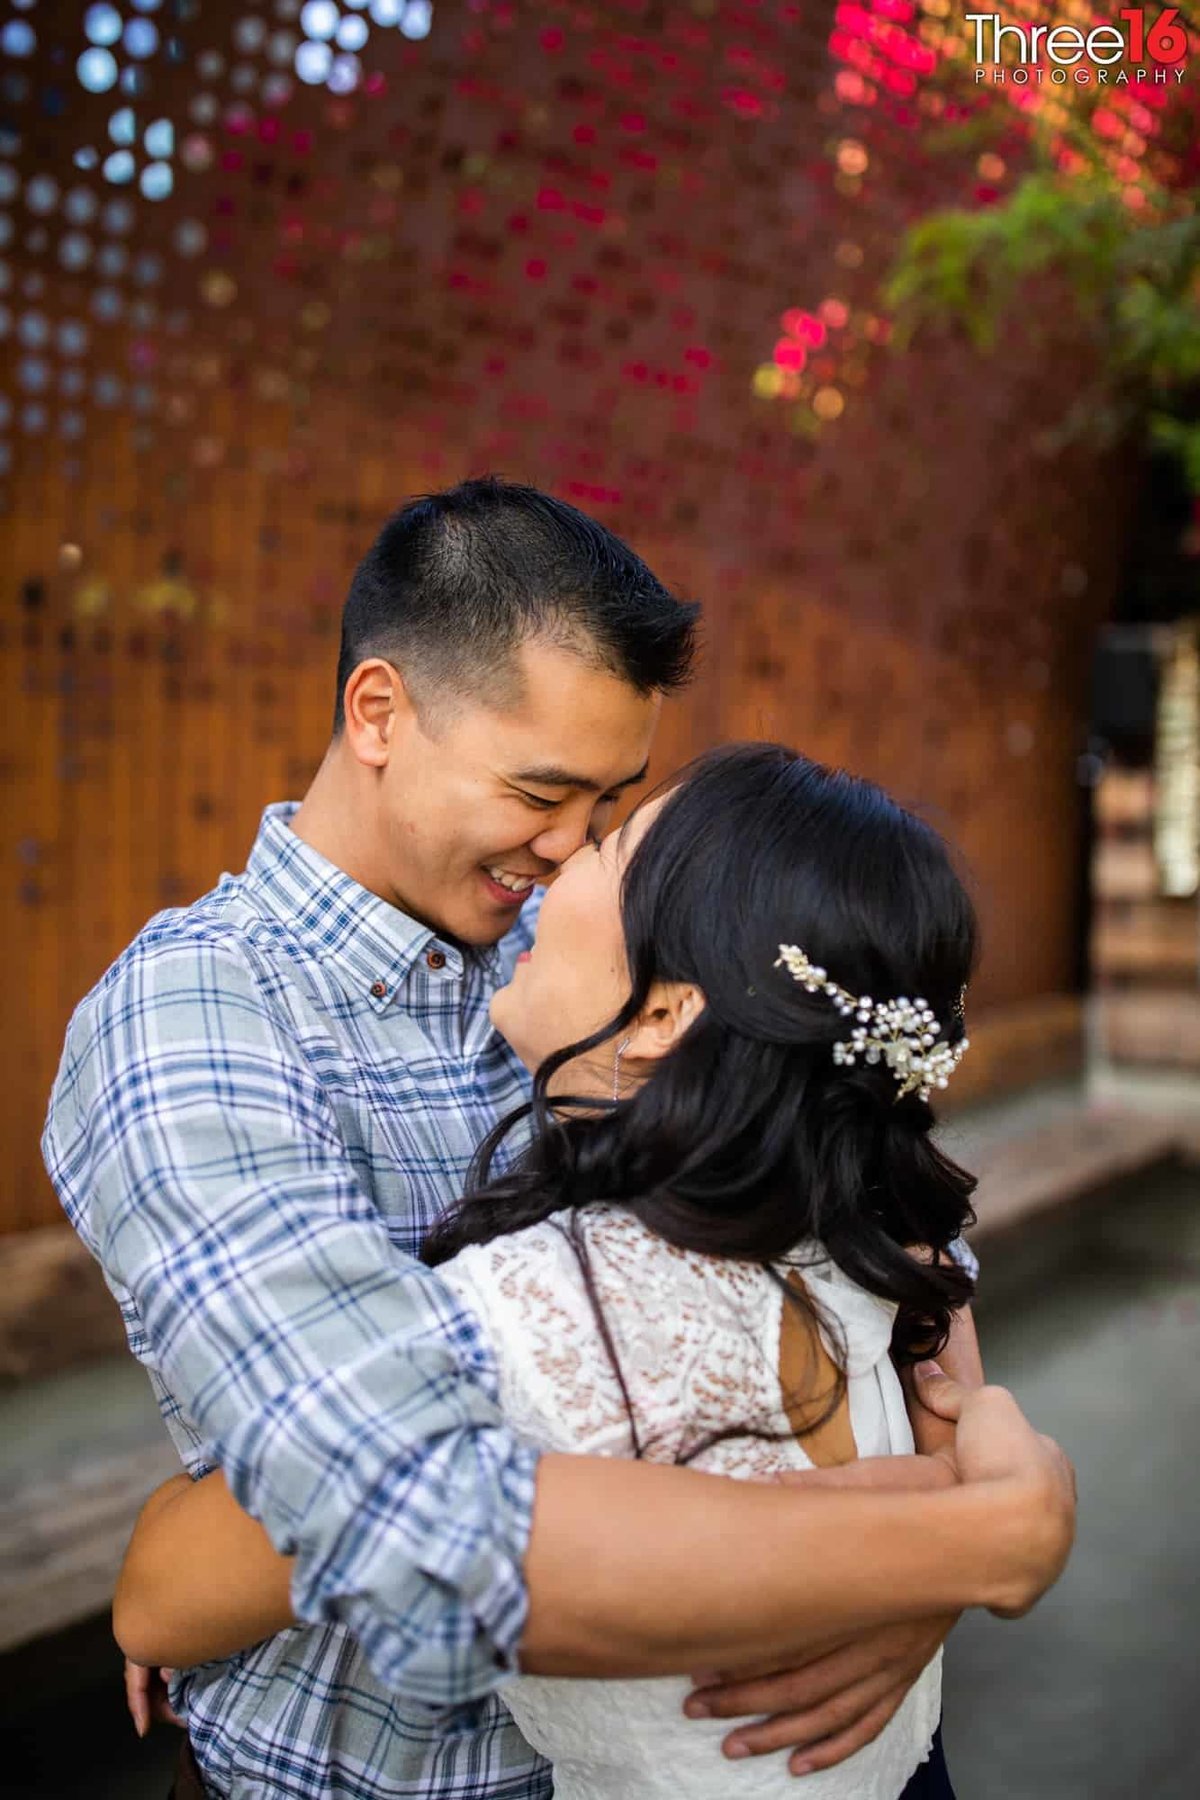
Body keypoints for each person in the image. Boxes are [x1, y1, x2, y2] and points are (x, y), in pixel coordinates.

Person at [44, 480, 1073, 1800]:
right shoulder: (199, 1013)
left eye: (607, 801)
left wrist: (933, 1517)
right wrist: (962, 1544)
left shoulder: (592, 945)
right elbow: (402, 1511)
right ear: (378, 713)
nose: (572, 842)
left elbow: (865, 1190)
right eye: (540, 790)